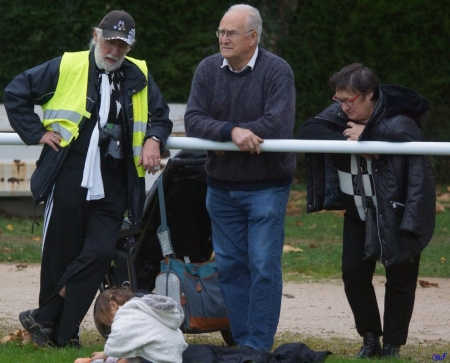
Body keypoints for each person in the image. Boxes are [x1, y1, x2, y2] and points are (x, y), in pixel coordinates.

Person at [3, 10, 172, 347]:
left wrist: (154, 138)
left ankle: (45, 319)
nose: (114, 50)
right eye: (110, 41)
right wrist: (36, 133)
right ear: (97, 36)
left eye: (122, 46)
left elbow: (161, 116)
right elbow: (15, 92)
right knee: (60, 256)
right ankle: (62, 336)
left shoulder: (139, 71)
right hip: (68, 172)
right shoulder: (67, 64)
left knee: (99, 252)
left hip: (115, 182)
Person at [297, 63, 435, 358]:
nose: (342, 107)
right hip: (358, 213)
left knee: (400, 278)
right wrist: (354, 144)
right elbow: (308, 130)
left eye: (349, 101)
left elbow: (419, 175)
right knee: (353, 275)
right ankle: (370, 338)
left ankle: (392, 346)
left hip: (396, 214)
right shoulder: (341, 116)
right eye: (339, 99)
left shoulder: (401, 122)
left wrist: (370, 137)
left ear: (369, 94)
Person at [184, 4, 296, 351]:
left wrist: (227, 138)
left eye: (231, 33)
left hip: (267, 187)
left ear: (253, 37)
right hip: (220, 188)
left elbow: (277, 125)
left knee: (263, 266)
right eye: (220, 31)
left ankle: (257, 346)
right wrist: (229, 133)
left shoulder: (277, 71)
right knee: (230, 268)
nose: (223, 38)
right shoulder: (206, 69)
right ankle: (244, 344)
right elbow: (193, 119)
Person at [85, 287, 187, 363]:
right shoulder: (139, 307)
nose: (113, 325)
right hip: (173, 351)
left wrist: (105, 353)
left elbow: (118, 336)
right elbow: (134, 343)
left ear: (113, 305)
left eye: (110, 321)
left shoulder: (124, 314)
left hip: (161, 355)